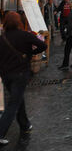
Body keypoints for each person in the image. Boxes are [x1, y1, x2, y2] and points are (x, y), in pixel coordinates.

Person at [0, 12, 47, 146]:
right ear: (19, 22)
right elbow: (43, 46)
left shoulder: (2, 38)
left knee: (18, 98)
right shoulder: (25, 35)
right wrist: (30, 53)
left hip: (6, 75)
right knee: (13, 103)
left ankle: (25, 124)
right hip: (20, 73)